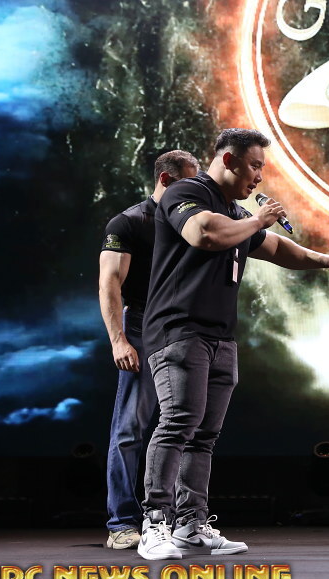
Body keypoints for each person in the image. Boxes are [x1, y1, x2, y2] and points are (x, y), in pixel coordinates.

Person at [138, 128, 329, 560]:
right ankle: (154, 523)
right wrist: (257, 220)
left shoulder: (234, 211)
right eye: (255, 166)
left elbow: (277, 248)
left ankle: (190, 524)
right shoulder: (187, 192)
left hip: (220, 336)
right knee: (178, 422)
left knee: (204, 435)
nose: (260, 177)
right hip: (178, 330)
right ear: (228, 160)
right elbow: (203, 234)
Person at [98, 150, 200, 550]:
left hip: (185, 329)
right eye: (188, 183)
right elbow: (109, 282)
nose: (196, 192)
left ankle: (182, 521)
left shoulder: (191, 220)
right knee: (130, 428)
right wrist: (118, 339)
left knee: (186, 427)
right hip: (141, 327)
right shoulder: (128, 222)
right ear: (166, 180)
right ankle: (122, 523)